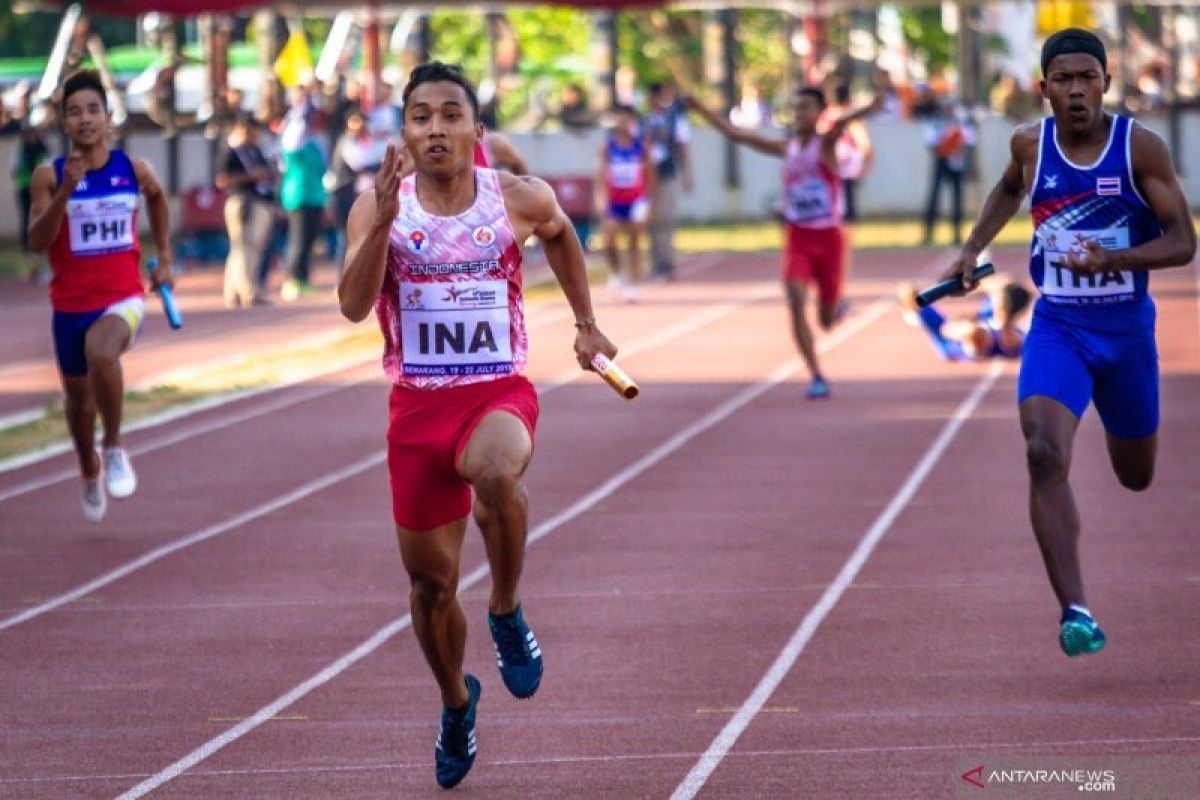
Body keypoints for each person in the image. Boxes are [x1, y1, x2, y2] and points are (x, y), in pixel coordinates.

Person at [337, 62, 616, 789]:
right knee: (430, 592)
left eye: (450, 115)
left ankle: (505, 607)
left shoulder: (516, 198)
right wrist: (383, 230)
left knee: (498, 472)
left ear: (475, 130)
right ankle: (458, 702)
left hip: (497, 392)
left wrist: (586, 325)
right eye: (422, 116)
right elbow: (351, 306)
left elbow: (560, 234)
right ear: (404, 131)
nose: (436, 128)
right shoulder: (378, 207)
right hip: (416, 412)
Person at [942, 28, 1196, 657]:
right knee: (1043, 453)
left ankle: (1122, 428)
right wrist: (972, 250)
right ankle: (1075, 611)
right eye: (1064, 79)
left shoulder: (1141, 149)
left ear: (1107, 83)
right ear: (1045, 88)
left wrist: (1117, 254)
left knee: (1135, 476)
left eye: (1088, 78)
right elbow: (1008, 187)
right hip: (1060, 328)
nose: (1077, 90)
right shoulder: (1031, 144)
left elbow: (1184, 242)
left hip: (1127, 335)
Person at [26, 70, 174, 523]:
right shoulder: (48, 176)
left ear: (108, 119)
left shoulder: (132, 169)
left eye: (93, 110)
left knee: (102, 353)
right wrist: (67, 190)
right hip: (70, 304)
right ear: (64, 122)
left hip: (122, 297)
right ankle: (88, 465)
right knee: (77, 402)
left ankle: (112, 447)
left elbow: (157, 199)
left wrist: (165, 256)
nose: (85, 119)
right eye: (75, 112)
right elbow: (36, 241)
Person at [685, 87, 879, 399]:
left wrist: (872, 104)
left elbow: (844, 122)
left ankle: (836, 308)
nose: (800, 114)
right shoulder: (787, 147)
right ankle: (816, 374)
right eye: (796, 108)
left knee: (826, 322)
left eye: (806, 108)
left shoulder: (826, 144)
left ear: (819, 113)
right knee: (795, 300)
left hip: (829, 238)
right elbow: (738, 136)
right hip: (798, 236)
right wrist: (702, 110)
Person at [215, 113, 276, 307]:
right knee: (244, 247)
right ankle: (249, 291)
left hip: (259, 202)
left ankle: (232, 292)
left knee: (249, 248)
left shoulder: (256, 150)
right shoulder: (231, 152)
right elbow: (222, 181)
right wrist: (250, 177)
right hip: (241, 201)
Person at [898, 275, 1031, 361]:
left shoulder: (994, 336)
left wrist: (962, 323)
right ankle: (912, 313)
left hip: (948, 339)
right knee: (909, 290)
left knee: (910, 293)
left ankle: (914, 315)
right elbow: (1005, 283)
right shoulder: (992, 314)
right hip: (981, 323)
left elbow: (947, 330)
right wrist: (973, 285)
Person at [596, 104, 654, 302]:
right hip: (614, 200)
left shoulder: (641, 146)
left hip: (636, 199)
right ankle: (616, 272)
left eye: (628, 120)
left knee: (634, 241)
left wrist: (649, 202)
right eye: (620, 119)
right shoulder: (608, 147)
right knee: (609, 240)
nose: (624, 123)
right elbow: (600, 174)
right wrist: (600, 197)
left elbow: (650, 175)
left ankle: (634, 282)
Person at [278, 97, 328, 301]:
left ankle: (304, 279)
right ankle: (292, 280)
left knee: (309, 241)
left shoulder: (315, 144)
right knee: (298, 240)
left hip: (315, 197)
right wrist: (301, 110)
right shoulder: (294, 143)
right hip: (299, 196)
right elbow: (293, 131)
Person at [643, 82, 693, 281]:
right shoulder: (644, 120)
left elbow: (683, 147)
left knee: (665, 217)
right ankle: (655, 261)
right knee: (651, 219)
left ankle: (666, 261)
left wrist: (687, 174)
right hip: (647, 176)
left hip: (667, 172)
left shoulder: (674, 119)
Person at [921, 99, 975, 246]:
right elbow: (931, 143)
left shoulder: (962, 123)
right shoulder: (936, 122)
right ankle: (928, 233)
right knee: (934, 197)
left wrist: (957, 149)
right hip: (941, 161)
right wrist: (945, 148)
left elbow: (969, 142)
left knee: (957, 199)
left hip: (957, 161)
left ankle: (957, 234)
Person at [11, 116, 51, 283]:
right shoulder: (20, 152)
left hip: (40, 189)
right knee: (26, 222)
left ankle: (42, 263)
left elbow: (49, 167)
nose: (31, 136)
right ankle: (27, 260)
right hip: (24, 188)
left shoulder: (42, 150)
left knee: (42, 221)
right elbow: (13, 170)